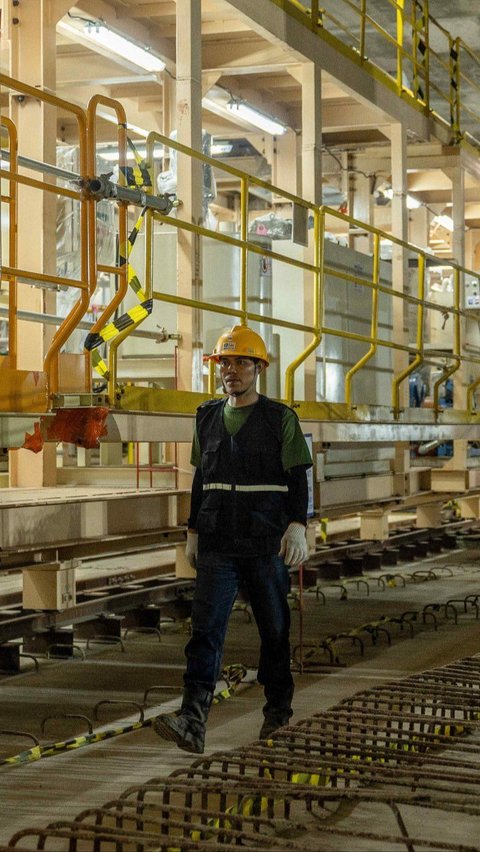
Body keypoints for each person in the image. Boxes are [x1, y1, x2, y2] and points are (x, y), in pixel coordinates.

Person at [153, 324, 313, 754]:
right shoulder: (206, 417)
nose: (231, 370)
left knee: (274, 631)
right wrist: (192, 531)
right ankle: (193, 717)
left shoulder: (281, 419)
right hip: (219, 542)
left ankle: (278, 711)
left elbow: (298, 476)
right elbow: (200, 478)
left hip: (264, 543)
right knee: (204, 630)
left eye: (241, 362)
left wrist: (299, 524)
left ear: (258, 368)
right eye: (224, 362)